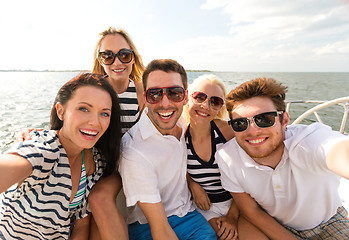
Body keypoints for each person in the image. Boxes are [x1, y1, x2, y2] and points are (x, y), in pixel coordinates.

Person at [216, 77, 349, 239]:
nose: (252, 131)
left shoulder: (308, 142)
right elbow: (251, 211)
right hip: (272, 222)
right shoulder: (227, 157)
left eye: (264, 119)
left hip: (328, 222)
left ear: (284, 120)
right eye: (240, 123)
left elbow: (338, 151)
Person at [0, 73, 122, 240]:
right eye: (84, 109)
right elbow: (12, 165)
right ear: (61, 111)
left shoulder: (96, 163)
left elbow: (81, 224)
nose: (95, 122)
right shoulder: (44, 148)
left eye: (104, 113)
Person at [118, 59, 217, 240]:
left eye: (174, 93)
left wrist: (192, 183)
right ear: (145, 98)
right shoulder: (134, 152)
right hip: (149, 224)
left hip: (188, 212)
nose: (165, 103)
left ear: (185, 96)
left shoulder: (185, 122)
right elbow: (160, 229)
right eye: (155, 94)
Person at [184, 74, 268, 240]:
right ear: (188, 99)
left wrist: (232, 215)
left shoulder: (227, 133)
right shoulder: (180, 135)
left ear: (219, 108)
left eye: (214, 102)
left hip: (239, 203)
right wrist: (192, 184)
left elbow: (248, 176)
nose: (205, 105)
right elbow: (173, 163)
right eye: (199, 97)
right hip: (207, 209)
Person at [88, 26, 145, 240]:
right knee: (94, 225)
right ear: (100, 59)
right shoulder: (93, 88)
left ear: (132, 57)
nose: (117, 62)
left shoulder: (141, 91)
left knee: (100, 199)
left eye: (124, 54)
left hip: (126, 163)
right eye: (108, 56)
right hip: (99, 162)